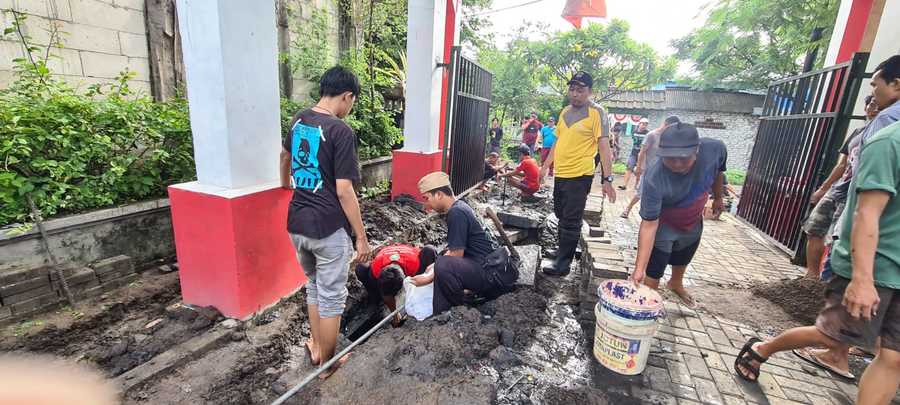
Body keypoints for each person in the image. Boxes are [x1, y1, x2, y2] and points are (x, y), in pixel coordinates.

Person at [732, 57, 900, 398]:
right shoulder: (888, 140)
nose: (872, 93)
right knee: (832, 335)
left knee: (894, 357)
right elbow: (866, 213)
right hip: (877, 266)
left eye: (875, 84)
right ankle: (763, 348)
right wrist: (862, 279)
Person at [280, 66, 371, 379]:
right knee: (332, 297)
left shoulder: (299, 120)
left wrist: (285, 184)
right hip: (327, 228)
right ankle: (327, 365)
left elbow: (284, 157)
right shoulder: (340, 131)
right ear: (347, 96)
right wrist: (361, 237)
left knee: (315, 286)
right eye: (352, 102)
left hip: (297, 225)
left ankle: (317, 348)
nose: (350, 108)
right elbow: (344, 190)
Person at [629, 123, 726, 307]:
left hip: (693, 218)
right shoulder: (654, 177)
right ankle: (646, 303)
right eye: (670, 159)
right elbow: (649, 225)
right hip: (666, 222)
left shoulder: (715, 149)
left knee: (685, 252)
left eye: (684, 158)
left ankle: (675, 283)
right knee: (655, 267)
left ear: (696, 150)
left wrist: (719, 197)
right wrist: (638, 269)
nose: (677, 164)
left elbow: (718, 170)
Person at [539, 71, 616, 276]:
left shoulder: (597, 113)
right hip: (561, 173)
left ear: (590, 91)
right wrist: (545, 166)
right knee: (560, 214)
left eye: (580, 90)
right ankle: (562, 250)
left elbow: (604, 147)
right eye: (572, 89)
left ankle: (563, 264)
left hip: (580, 175)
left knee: (571, 220)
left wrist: (607, 179)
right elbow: (557, 141)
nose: (575, 94)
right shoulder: (565, 111)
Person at [408, 172, 516, 313]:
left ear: (439, 194)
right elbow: (455, 248)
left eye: (427, 198)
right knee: (438, 256)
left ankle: (451, 311)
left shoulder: (456, 213)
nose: (426, 205)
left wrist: (428, 276)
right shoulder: (461, 206)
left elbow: (456, 255)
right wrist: (434, 265)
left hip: (492, 274)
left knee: (443, 265)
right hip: (493, 267)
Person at [801, 95, 879, 279]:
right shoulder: (857, 132)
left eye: (878, 105)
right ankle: (811, 277)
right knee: (814, 228)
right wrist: (823, 189)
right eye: (871, 104)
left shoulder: (883, 135)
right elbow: (842, 165)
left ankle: (827, 280)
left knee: (837, 238)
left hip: (854, 195)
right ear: (865, 107)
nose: (874, 108)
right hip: (838, 190)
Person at [355, 244, 438, 327]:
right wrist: (395, 315)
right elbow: (386, 295)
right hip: (386, 257)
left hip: (406, 256)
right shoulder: (374, 271)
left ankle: (434, 286)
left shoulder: (415, 265)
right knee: (360, 269)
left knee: (429, 250)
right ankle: (376, 300)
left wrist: (424, 281)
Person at [621, 116, 681, 219]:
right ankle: (628, 209)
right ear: (666, 124)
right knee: (641, 192)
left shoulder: (668, 138)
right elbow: (642, 152)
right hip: (648, 170)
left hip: (662, 171)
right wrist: (639, 167)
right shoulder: (652, 135)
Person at [621, 118, 650, 191]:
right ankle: (624, 185)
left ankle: (636, 185)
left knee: (639, 170)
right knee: (629, 168)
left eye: (645, 124)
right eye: (643, 124)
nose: (644, 126)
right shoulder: (634, 132)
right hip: (633, 153)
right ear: (639, 124)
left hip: (643, 154)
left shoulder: (648, 134)